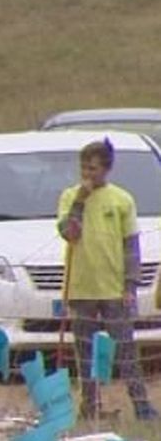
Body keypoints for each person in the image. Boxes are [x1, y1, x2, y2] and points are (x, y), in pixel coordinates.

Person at [57, 138, 158, 421]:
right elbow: (69, 232)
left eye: (93, 168)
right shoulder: (69, 196)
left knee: (125, 350)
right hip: (81, 287)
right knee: (85, 353)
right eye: (83, 168)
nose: (87, 174)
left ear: (106, 169)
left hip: (114, 288)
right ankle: (90, 405)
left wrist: (130, 285)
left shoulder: (121, 199)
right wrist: (80, 200)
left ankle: (141, 405)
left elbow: (130, 246)